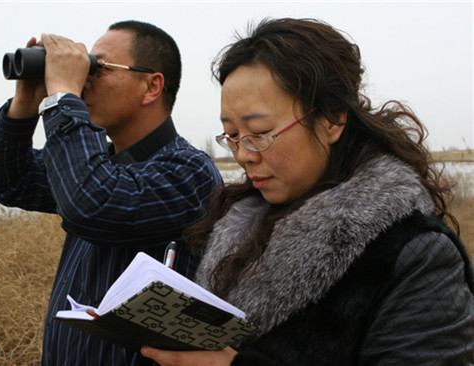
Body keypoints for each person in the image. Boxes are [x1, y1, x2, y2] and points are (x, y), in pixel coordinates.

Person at [140, 18, 474, 366]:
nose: (242, 155)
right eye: (232, 135)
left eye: (259, 132)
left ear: (332, 120)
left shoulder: (415, 254)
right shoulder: (238, 228)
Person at [0, 20, 222, 365]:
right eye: (86, 67)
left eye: (99, 67)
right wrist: (26, 102)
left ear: (151, 86)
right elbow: (6, 180)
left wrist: (63, 94)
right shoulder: (95, 166)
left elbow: (92, 204)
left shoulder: (189, 172)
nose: (86, 81)